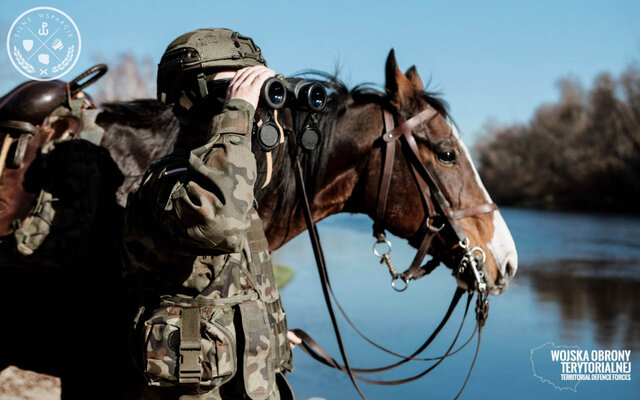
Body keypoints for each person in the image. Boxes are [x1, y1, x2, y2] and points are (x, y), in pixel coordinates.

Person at [122, 28, 300, 400]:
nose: (251, 108)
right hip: (197, 384)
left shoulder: (224, 178)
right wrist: (236, 117)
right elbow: (219, 227)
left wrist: (270, 331)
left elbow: (241, 280)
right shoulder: (172, 182)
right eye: (231, 92)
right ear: (189, 99)